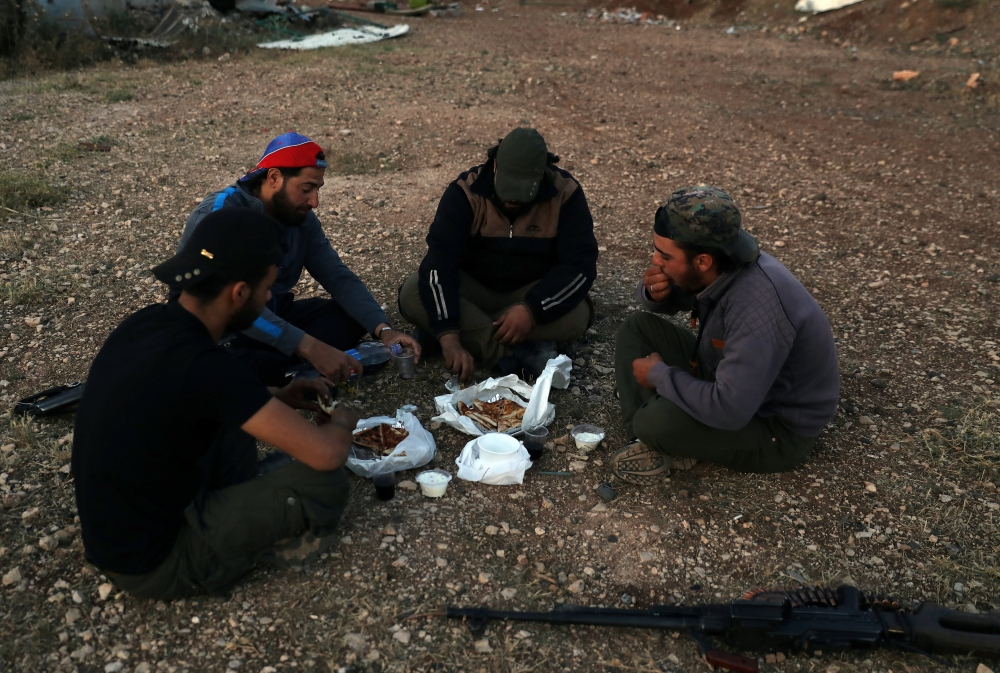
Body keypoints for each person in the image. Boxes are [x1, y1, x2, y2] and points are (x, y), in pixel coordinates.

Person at [73, 208, 360, 601]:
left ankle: (237, 505)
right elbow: (326, 454)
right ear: (239, 293)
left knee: (235, 419)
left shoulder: (145, 325)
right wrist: (341, 423)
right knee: (323, 480)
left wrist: (280, 397)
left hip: (122, 534)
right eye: (266, 290)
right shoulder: (206, 367)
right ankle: (251, 546)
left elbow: (198, 399)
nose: (269, 299)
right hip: (157, 563)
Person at [611, 186, 840, 484]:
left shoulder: (757, 307)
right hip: (728, 377)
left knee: (655, 420)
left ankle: (656, 433)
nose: (656, 261)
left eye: (665, 255)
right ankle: (646, 441)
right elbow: (684, 294)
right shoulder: (724, 261)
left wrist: (659, 376)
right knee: (638, 328)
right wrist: (655, 293)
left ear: (702, 261)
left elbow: (730, 409)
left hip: (774, 428)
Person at [183, 131, 420, 386]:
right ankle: (281, 369)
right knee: (225, 361)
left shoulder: (301, 218)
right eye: (307, 189)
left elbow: (338, 277)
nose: (315, 202)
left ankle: (283, 366)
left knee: (352, 317)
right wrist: (310, 347)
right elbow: (228, 306)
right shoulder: (219, 216)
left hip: (275, 312)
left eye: (318, 189)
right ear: (274, 177)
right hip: (225, 328)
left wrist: (383, 330)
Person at [398, 127, 598, 384]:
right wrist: (449, 335)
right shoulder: (465, 192)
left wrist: (531, 310)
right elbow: (439, 264)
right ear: (494, 166)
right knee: (413, 290)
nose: (512, 199)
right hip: (471, 290)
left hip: (526, 293)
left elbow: (580, 268)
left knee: (578, 314)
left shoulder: (565, 194)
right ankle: (510, 355)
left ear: (542, 175)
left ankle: (448, 331)